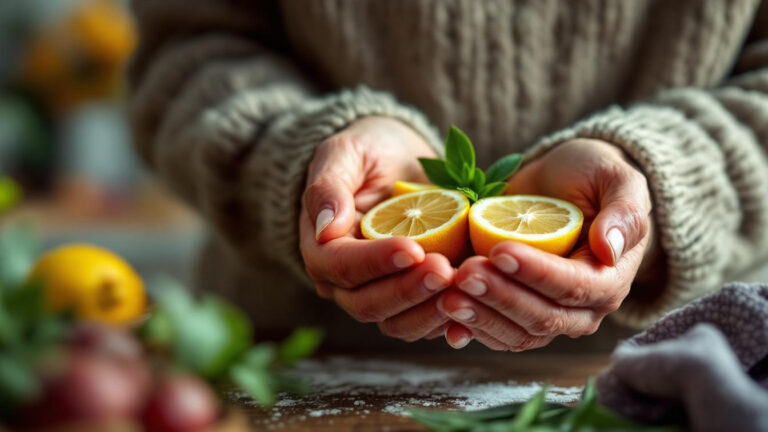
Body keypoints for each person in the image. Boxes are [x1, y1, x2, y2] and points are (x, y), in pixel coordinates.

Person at [128, 0, 768, 351]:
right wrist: (295, 159)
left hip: (680, 369)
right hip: (292, 359)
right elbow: (186, 51)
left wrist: (662, 189)